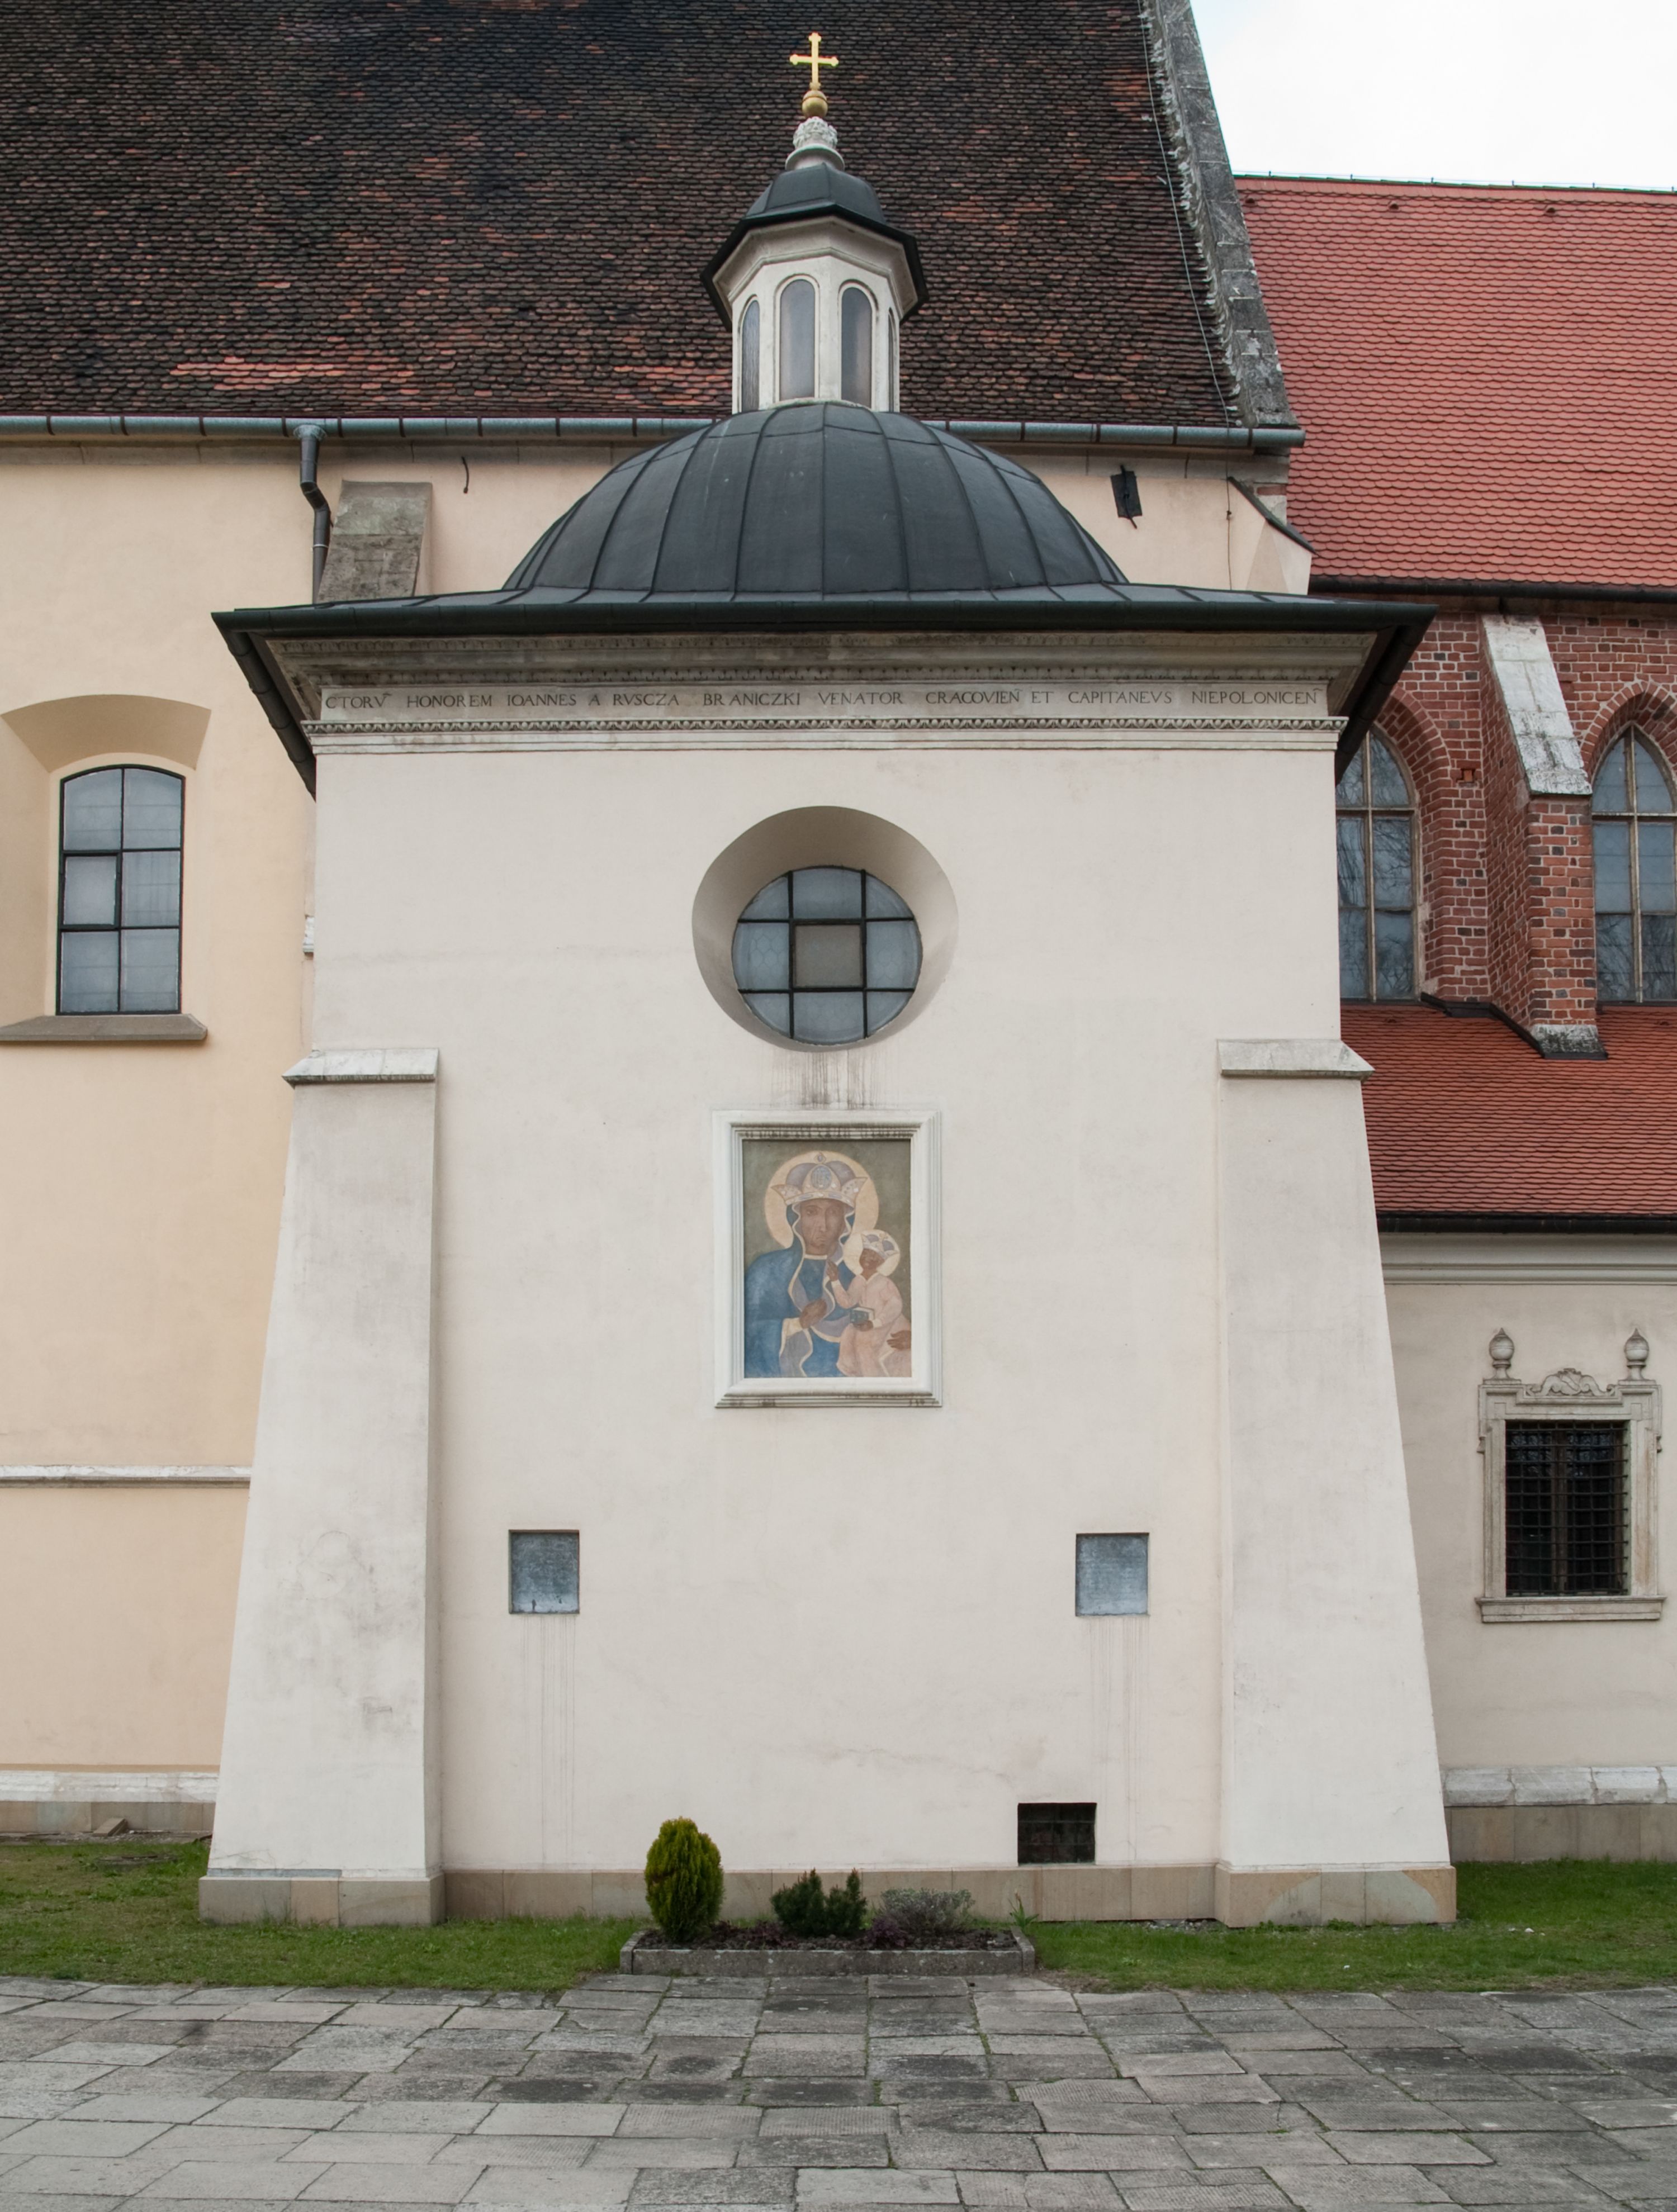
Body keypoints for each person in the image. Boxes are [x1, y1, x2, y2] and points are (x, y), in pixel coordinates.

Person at [743, 1155, 868, 1378]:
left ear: (845, 1222)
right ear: (796, 1219)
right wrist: (797, 1324)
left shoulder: (857, 1274)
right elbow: (745, 1335)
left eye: (833, 1212)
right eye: (812, 1212)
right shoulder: (767, 1271)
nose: (823, 1225)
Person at [837, 1231, 908, 1378]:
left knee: (865, 1346)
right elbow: (848, 1302)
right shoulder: (859, 1280)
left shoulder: (884, 1282)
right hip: (867, 1323)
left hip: (886, 1323)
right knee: (850, 1336)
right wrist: (835, 1281)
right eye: (865, 1254)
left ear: (880, 1262)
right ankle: (864, 1378)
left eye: (873, 1257)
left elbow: (895, 1306)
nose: (867, 1259)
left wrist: (875, 1323)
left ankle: (874, 1380)